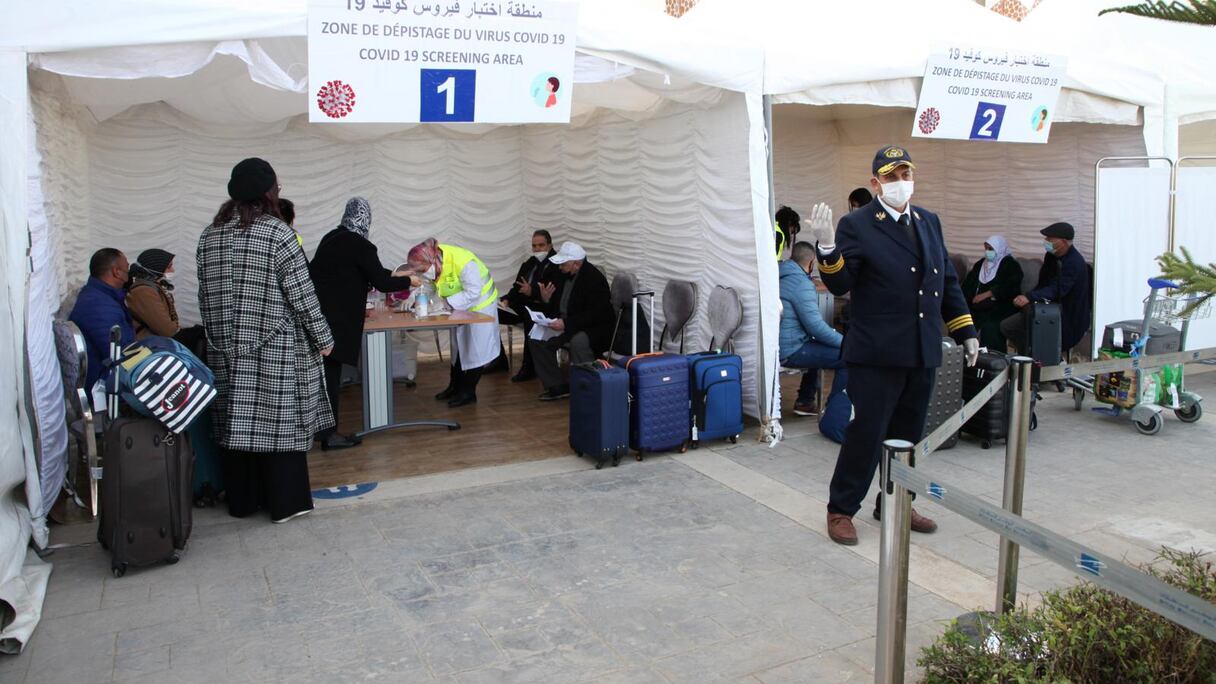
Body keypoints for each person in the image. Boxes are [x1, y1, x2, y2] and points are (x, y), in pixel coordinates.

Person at [810, 145, 979, 546]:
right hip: (877, 352)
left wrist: (965, 330)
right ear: (876, 183)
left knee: (908, 435)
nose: (901, 183)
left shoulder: (929, 221)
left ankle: (897, 501)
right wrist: (828, 248)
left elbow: (946, 283)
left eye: (905, 174)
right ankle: (841, 508)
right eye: (891, 177)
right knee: (866, 434)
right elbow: (841, 284)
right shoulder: (859, 224)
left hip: (921, 350)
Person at [197, 157, 333, 524]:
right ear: (269, 192)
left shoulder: (210, 235)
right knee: (279, 426)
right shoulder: (277, 233)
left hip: (224, 346)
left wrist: (220, 337)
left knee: (236, 423)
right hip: (275, 345)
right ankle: (286, 504)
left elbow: (203, 295)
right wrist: (323, 338)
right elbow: (302, 295)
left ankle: (243, 501)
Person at [309, 197, 418, 450]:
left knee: (325, 378)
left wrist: (392, 274)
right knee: (331, 379)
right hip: (338, 322)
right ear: (366, 218)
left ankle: (321, 431)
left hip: (319, 317)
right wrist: (408, 282)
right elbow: (380, 281)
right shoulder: (361, 245)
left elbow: (363, 272)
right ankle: (329, 435)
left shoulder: (331, 238)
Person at [405, 238, 499, 407]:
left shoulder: (463, 261)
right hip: (461, 307)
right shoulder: (436, 262)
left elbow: (474, 292)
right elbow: (428, 285)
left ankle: (469, 392)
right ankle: (454, 387)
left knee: (475, 349)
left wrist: (445, 303)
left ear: (430, 260)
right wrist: (412, 297)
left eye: (422, 269)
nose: (422, 273)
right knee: (458, 348)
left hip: (482, 306)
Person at [529, 242, 615, 400]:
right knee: (536, 339)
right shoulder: (562, 275)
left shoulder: (594, 279)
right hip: (566, 324)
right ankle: (557, 386)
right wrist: (546, 300)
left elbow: (594, 315)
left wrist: (566, 324)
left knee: (578, 342)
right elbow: (556, 306)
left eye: (564, 264)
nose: (560, 267)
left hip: (592, 327)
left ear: (576, 264)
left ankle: (588, 385)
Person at [1001, 222, 1091, 358]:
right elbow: (1043, 284)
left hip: (1067, 319)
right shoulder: (1051, 256)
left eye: (1050, 239)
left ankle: (1042, 360)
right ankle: (1030, 357)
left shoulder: (1074, 263)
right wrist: (1027, 298)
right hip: (1044, 311)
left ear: (1063, 242)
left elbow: (1057, 289)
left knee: (1035, 336)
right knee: (1007, 326)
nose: (1046, 242)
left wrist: (1030, 297)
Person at [779, 241, 848, 416]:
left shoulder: (779, 275)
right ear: (811, 263)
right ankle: (833, 410)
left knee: (818, 347)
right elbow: (815, 327)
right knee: (847, 358)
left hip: (779, 344)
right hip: (790, 350)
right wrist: (846, 343)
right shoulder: (801, 284)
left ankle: (805, 401)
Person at [498, 229, 561, 382]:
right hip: (522, 304)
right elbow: (517, 286)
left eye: (541, 245)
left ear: (550, 245)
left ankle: (529, 366)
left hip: (543, 307)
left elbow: (554, 294)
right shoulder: (530, 263)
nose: (537, 249)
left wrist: (531, 292)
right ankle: (498, 360)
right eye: (534, 246)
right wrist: (506, 299)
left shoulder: (557, 264)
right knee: (492, 314)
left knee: (529, 317)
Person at [69, 248, 134, 391]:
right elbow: (119, 355)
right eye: (127, 268)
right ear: (117, 272)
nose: (129, 272)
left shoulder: (98, 296)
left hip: (107, 374)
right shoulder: (99, 305)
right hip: (106, 384)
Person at [960, 236, 1024, 351]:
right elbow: (968, 284)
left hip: (1002, 306)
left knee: (990, 327)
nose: (987, 252)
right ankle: (963, 358)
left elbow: (1011, 286)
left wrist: (989, 294)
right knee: (963, 323)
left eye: (991, 249)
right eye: (986, 248)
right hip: (978, 306)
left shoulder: (1010, 264)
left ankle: (992, 360)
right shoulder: (981, 264)